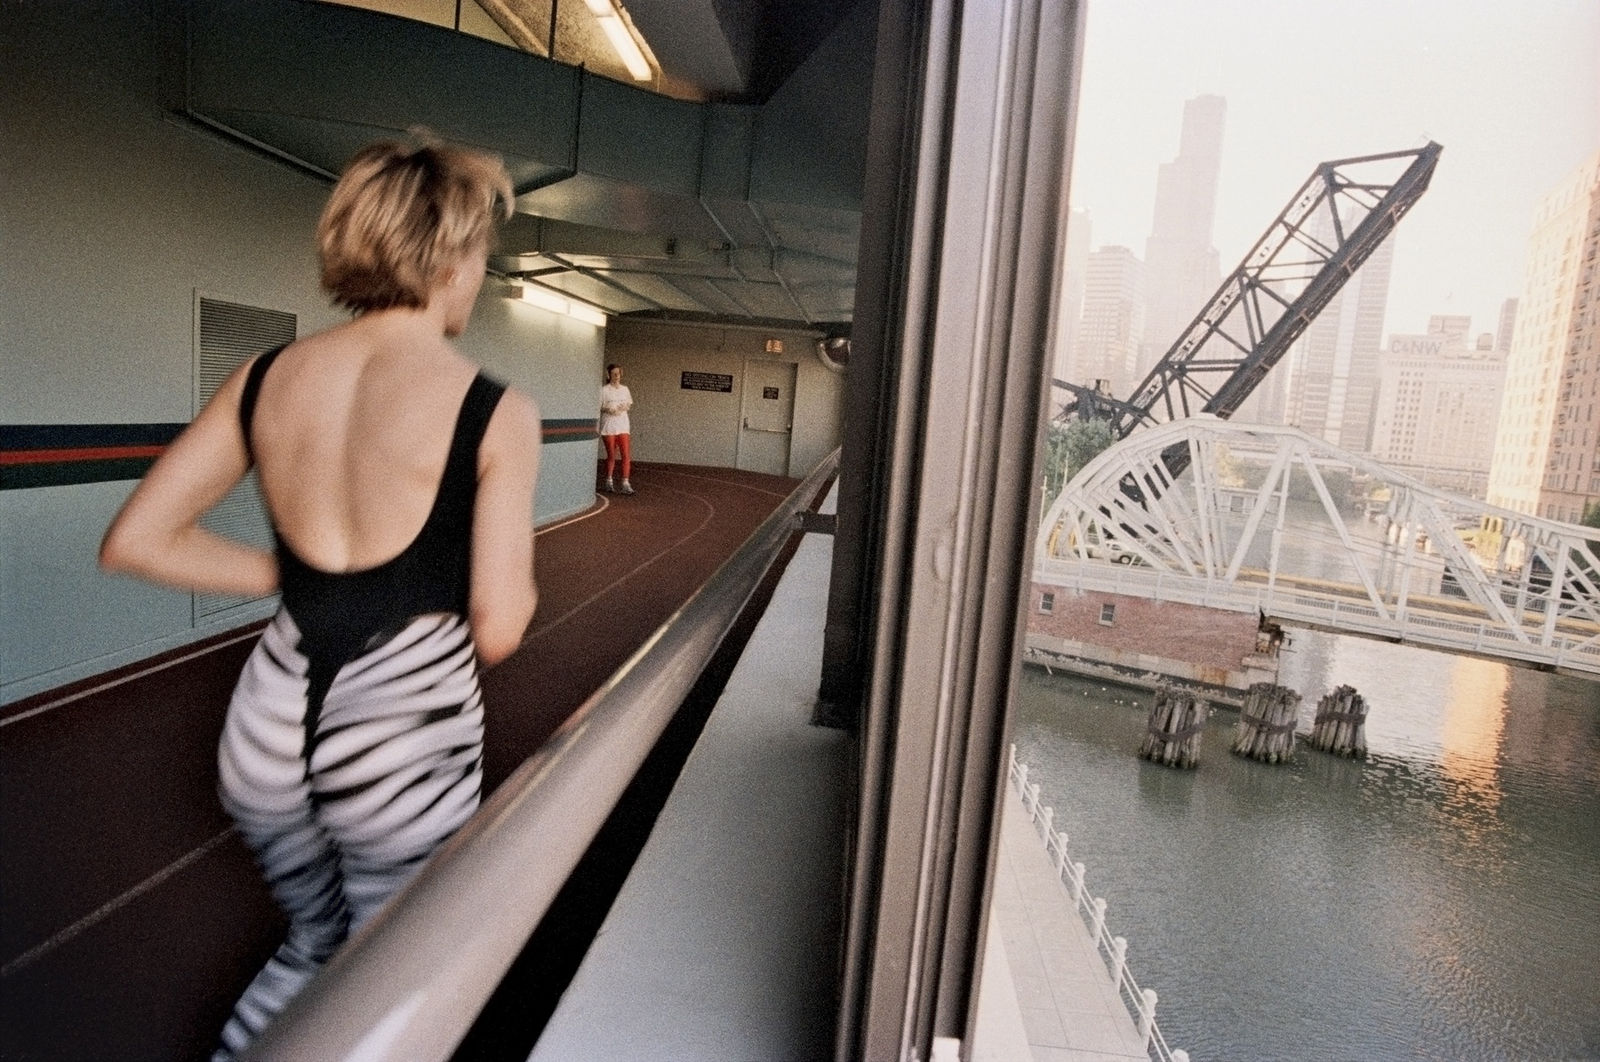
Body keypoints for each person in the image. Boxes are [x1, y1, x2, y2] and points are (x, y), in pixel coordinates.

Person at [99, 136, 541, 1060]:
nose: (478, 277)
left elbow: (138, 539)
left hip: (265, 731)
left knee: (313, 947)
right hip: (397, 735)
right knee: (399, 983)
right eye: (480, 257)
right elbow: (499, 627)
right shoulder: (496, 410)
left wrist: (294, 577)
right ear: (450, 258)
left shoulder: (265, 377)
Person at [598, 362, 634, 494]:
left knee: (626, 455)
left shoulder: (625, 389)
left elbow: (629, 404)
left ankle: (625, 482)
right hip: (609, 425)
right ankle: (609, 481)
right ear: (609, 375)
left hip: (623, 425)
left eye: (618, 373)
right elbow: (600, 406)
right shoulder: (604, 390)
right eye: (613, 374)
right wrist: (608, 409)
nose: (616, 376)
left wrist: (624, 407)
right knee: (612, 455)